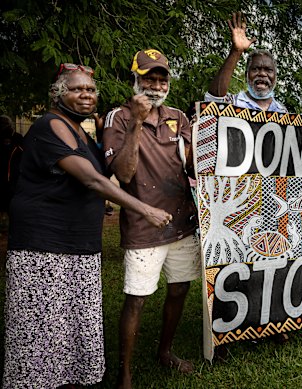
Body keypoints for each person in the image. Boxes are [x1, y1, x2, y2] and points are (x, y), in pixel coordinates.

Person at [3, 64, 171, 388]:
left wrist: (135, 121)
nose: (86, 95)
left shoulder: (83, 131)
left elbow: (119, 171)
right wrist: (145, 209)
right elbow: (93, 180)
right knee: (42, 335)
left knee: (74, 332)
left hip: (79, 248)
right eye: (77, 89)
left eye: (91, 90)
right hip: (43, 250)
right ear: (57, 94)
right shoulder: (48, 125)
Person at [102, 49, 201, 388]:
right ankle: (125, 373)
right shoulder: (118, 117)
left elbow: (191, 166)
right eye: (149, 78)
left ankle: (165, 351)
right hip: (145, 224)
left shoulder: (177, 116)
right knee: (137, 298)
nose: (156, 85)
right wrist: (138, 123)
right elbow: (125, 174)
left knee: (179, 289)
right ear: (135, 80)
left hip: (181, 221)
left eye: (162, 79)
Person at [205, 12, 287, 113]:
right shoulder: (233, 103)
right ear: (246, 75)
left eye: (268, 70)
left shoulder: (282, 112)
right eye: (255, 69)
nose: (262, 74)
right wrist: (236, 51)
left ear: (275, 77)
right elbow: (213, 101)